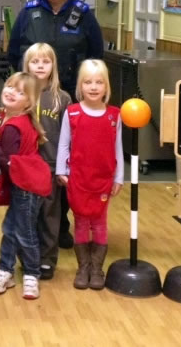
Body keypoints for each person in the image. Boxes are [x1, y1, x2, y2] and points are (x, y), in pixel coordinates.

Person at [7, 0, 104, 250]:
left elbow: (96, 56)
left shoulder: (83, 14)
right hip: (35, 100)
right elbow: (13, 52)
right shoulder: (30, 13)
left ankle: (61, 225)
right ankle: (34, 226)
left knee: (66, 164)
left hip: (72, 102)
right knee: (37, 160)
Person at [56, 59, 124, 290]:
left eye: (99, 82)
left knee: (100, 224)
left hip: (103, 180)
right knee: (81, 223)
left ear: (106, 86)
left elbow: (118, 149)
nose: (93, 87)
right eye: (88, 82)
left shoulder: (114, 115)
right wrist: (61, 170)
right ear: (80, 85)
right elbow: (64, 144)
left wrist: (119, 177)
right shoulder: (72, 113)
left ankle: (97, 269)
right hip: (79, 179)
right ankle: (83, 267)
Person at [0, 72, 52, 300]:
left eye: (20, 91)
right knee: (10, 229)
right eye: (10, 86)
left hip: (26, 187)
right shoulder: (13, 119)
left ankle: (32, 274)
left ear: (29, 102)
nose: (12, 92)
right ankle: (5, 269)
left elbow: (8, 163)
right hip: (25, 183)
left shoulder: (13, 126)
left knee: (24, 232)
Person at [23, 43, 72, 280]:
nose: (40, 66)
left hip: (51, 166)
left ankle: (47, 260)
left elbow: (68, 138)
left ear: (53, 66)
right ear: (27, 65)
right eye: (35, 61)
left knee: (50, 216)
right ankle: (27, 258)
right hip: (27, 167)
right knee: (26, 215)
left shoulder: (62, 98)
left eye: (45, 61)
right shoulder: (20, 94)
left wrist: (65, 167)